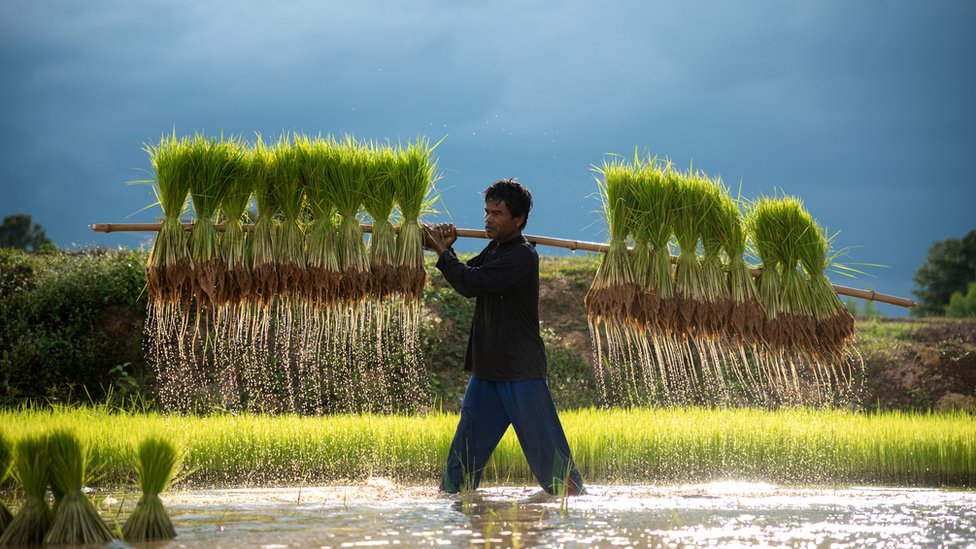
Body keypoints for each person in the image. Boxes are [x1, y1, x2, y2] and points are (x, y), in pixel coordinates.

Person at [424, 178, 584, 495]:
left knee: (552, 465)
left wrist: (441, 250)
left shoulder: (523, 257)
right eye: (486, 212)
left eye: (497, 213)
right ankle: (453, 511)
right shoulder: (497, 248)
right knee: (459, 469)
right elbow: (465, 272)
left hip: (521, 374)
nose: (488, 219)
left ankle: (576, 517)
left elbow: (470, 283)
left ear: (519, 219)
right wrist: (447, 249)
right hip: (487, 375)